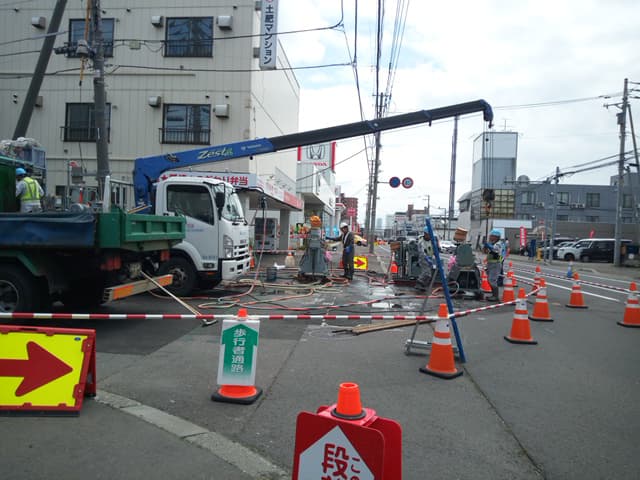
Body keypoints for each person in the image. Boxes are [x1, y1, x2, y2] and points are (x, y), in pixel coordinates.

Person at [483, 229, 503, 302]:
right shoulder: (492, 243)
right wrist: (485, 246)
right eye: (490, 236)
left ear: (496, 237)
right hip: (490, 264)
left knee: (492, 280)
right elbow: (485, 251)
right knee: (489, 280)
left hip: (495, 264)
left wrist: (488, 245)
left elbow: (494, 250)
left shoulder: (498, 244)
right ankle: (493, 295)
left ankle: (495, 296)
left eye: (492, 236)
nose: (490, 237)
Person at [416, 227, 436, 291]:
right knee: (427, 273)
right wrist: (427, 258)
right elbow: (422, 252)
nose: (429, 236)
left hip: (430, 258)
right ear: (425, 234)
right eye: (428, 234)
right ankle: (419, 283)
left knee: (429, 275)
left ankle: (423, 285)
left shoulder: (431, 240)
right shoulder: (421, 242)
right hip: (423, 259)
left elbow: (433, 249)